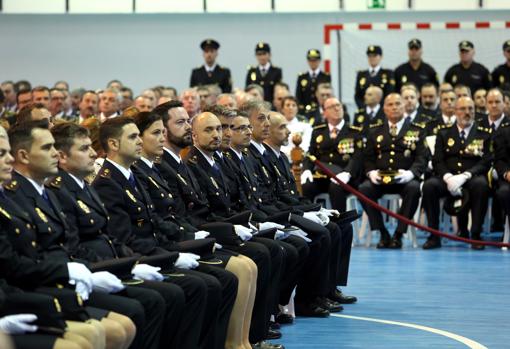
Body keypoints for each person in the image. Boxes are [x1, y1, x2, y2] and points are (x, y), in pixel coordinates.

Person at [93, 117, 237, 349]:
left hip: (157, 247)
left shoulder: (130, 175)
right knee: (197, 287)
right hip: (144, 256)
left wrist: (185, 240)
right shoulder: (109, 182)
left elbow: (155, 221)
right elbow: (125, 238)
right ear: (113, 144)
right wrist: (170, 255)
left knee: (219, 280)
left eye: (139, 136)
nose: (139, 141)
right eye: (132, 137)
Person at [151, 101, 284, 349]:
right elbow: (184, 215)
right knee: (249, 262)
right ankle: (237, 342)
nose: (218, 135)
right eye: (180, 123)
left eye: (221, 129)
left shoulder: (179, 163)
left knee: (255, 260)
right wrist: (222, 230)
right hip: (186, 238)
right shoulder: (172, 165)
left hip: (199, 230)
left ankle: (245, 339)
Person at [422, 97, 492, 250]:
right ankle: (433, 235)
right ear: (455, 111)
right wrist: (448, 177)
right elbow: (438, 160)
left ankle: (476, 235)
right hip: (448, 177)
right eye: (463, 109)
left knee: (481, 185)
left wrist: (465, 175)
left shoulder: (484, 134)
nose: (467, 112)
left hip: (471, 178)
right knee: (429, 186)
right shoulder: (443, 133)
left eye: (470, 109)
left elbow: (486, 161)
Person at [358, 93, 427, 249]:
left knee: (414, 189)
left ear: (405, 106)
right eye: (390, 104)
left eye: (398, 103)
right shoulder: (374, 130)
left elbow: (422, 157)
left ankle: (398, 234)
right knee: (364, 189)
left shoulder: (417, 130)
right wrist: (371, 172)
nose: (394, 107)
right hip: (381, 178)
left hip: (404, 179)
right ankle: (382, 232)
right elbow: (367, 158)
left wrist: (411, 173)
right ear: (384, 109)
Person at [302, 97, 363, 212]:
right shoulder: (318, 132)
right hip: (322, 176)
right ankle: (311, 225)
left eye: (338, 105)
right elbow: (311, 153)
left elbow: (357, 157)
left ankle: (340, 225)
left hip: (345, 177)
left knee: (336, 187)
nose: (336, 108)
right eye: (331, 107)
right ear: (324, 113)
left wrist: (347, 173)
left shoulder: (354, 132)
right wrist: (306, 169)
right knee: (307, 186)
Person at [295, 49, 331, 115]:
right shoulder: (302, 77)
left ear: (319, 60)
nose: (313, 62)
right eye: (310, 60)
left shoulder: (325, 76)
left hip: (321, 110)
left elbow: (327, 94)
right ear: (308, 61)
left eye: (315, 60)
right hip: (305, 111)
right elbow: (298, 95)